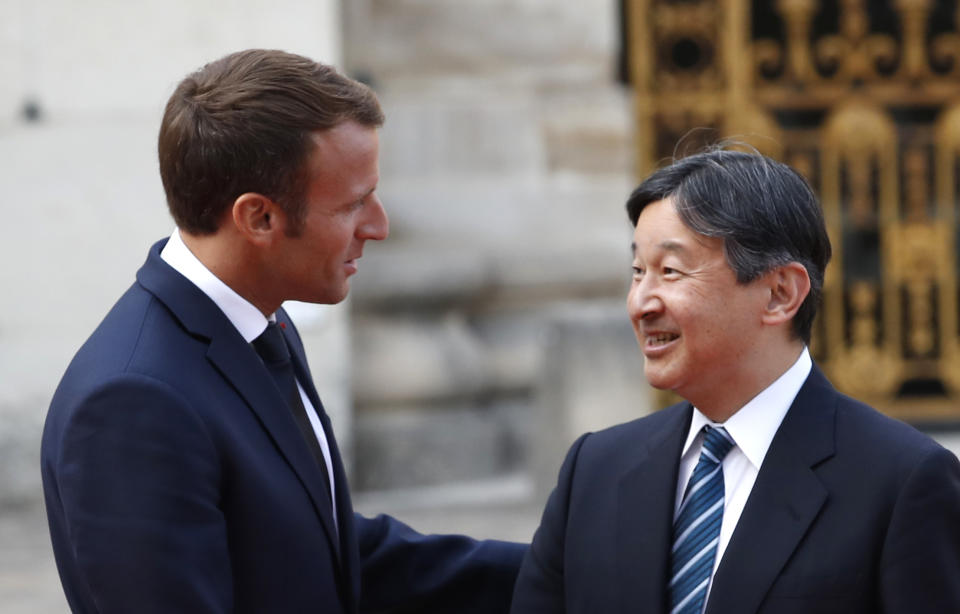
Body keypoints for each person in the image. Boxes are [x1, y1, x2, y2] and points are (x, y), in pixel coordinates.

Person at [41, 49, 525, 614]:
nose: (380, 226)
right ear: (258, 218)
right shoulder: (132, 402)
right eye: (354, 204)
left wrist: (572, 569)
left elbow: (323, 552)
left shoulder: (258, 319)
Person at [510, 148, 960, 614]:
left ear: (779, 293)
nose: (641, 303)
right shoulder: (594, 470)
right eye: (637, 272)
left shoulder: (901, 482)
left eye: (670, 271)